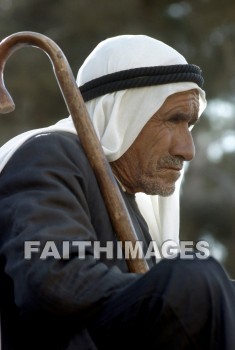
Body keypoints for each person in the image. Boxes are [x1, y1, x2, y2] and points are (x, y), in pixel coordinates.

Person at [0, 34, 234, 350]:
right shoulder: (49, 154)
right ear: (123, 114)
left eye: (189, 126)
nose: (187, 149)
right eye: (174, 120)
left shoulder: (130, 204)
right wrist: (170, 292)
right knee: (197, 278)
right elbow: (53, 280)